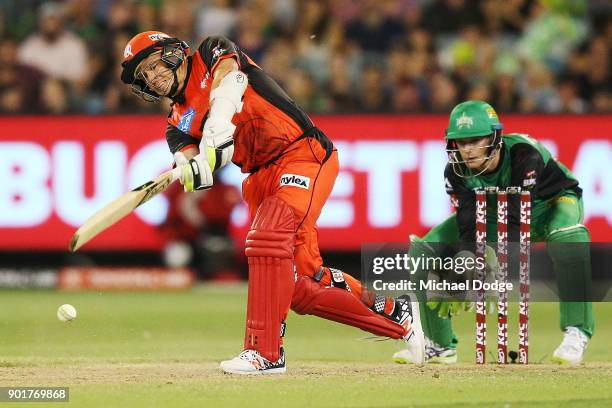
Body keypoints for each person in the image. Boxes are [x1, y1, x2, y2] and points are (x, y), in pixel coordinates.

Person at [119, 31, 425, 374]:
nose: (153, 76)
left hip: (301, 153)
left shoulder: (209, 51)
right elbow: (199, 166)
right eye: (144, 74)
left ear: (172, 53)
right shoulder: (175, 125)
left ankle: (264, 353)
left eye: (154, 64)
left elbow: (232, 78)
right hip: (259, 178)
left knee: (265, 240)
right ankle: (398, 316)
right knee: (300, 287)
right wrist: (194, 170)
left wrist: (220, 119)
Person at [393, 100, 594, 365]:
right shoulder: (455, 171)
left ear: (495, 137)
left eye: (476, 140)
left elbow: (513, 224)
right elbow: (466, 221)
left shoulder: (524, 155)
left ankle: (576, 331)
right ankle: (439, 346)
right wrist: (466, 262)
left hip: (550, 205)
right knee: (424, 251)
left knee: (568, 237)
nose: (468, 149)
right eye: (461, 142)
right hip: (491, 211)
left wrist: (485, 264)